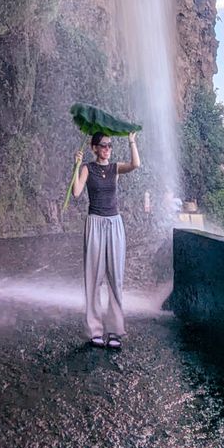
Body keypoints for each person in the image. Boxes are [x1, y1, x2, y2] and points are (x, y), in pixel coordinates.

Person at [72, 130, 140, 349]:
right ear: (94, 148)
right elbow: (76, 193)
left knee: (115, 278)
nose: (107, 149)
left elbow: (135, 164)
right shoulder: (87, 168)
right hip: (94, 223)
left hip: (115, 223)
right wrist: (76, 165)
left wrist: (131, 142)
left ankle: (115, 331)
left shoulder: (115, 168)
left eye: (110, 145)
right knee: (93, 278)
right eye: (103, 146)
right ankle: (95, 331)